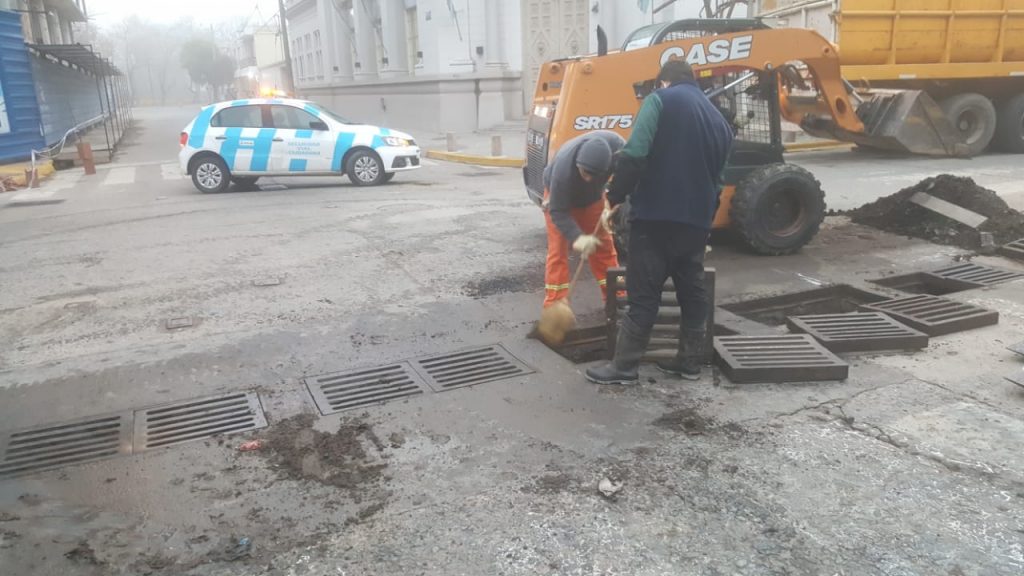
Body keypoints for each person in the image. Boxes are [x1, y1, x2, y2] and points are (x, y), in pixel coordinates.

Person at [586, 59, 734, 385]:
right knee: (692, 292)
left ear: (664, 81)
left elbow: (636, 153)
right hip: (695, 223)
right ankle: (688, 363)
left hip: (654, 218)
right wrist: (703, 219)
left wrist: (614, 196)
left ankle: (623, 367)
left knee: (643, 295)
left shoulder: (659, 101)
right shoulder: (720, 121)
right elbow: (719, 182)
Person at [541, 130, 625, 309]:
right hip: (559, 201)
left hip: (593, 199)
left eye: (593, 175)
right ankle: (555, 307)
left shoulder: (619, 151)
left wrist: (612, 202)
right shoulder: (563, 171)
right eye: (584, 173)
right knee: (558, 252)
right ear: (578, 163)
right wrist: (578, 237)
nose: (587, 179)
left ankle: (618, 297)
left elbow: (627, 178)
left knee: (604, 248)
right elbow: (558, 212)